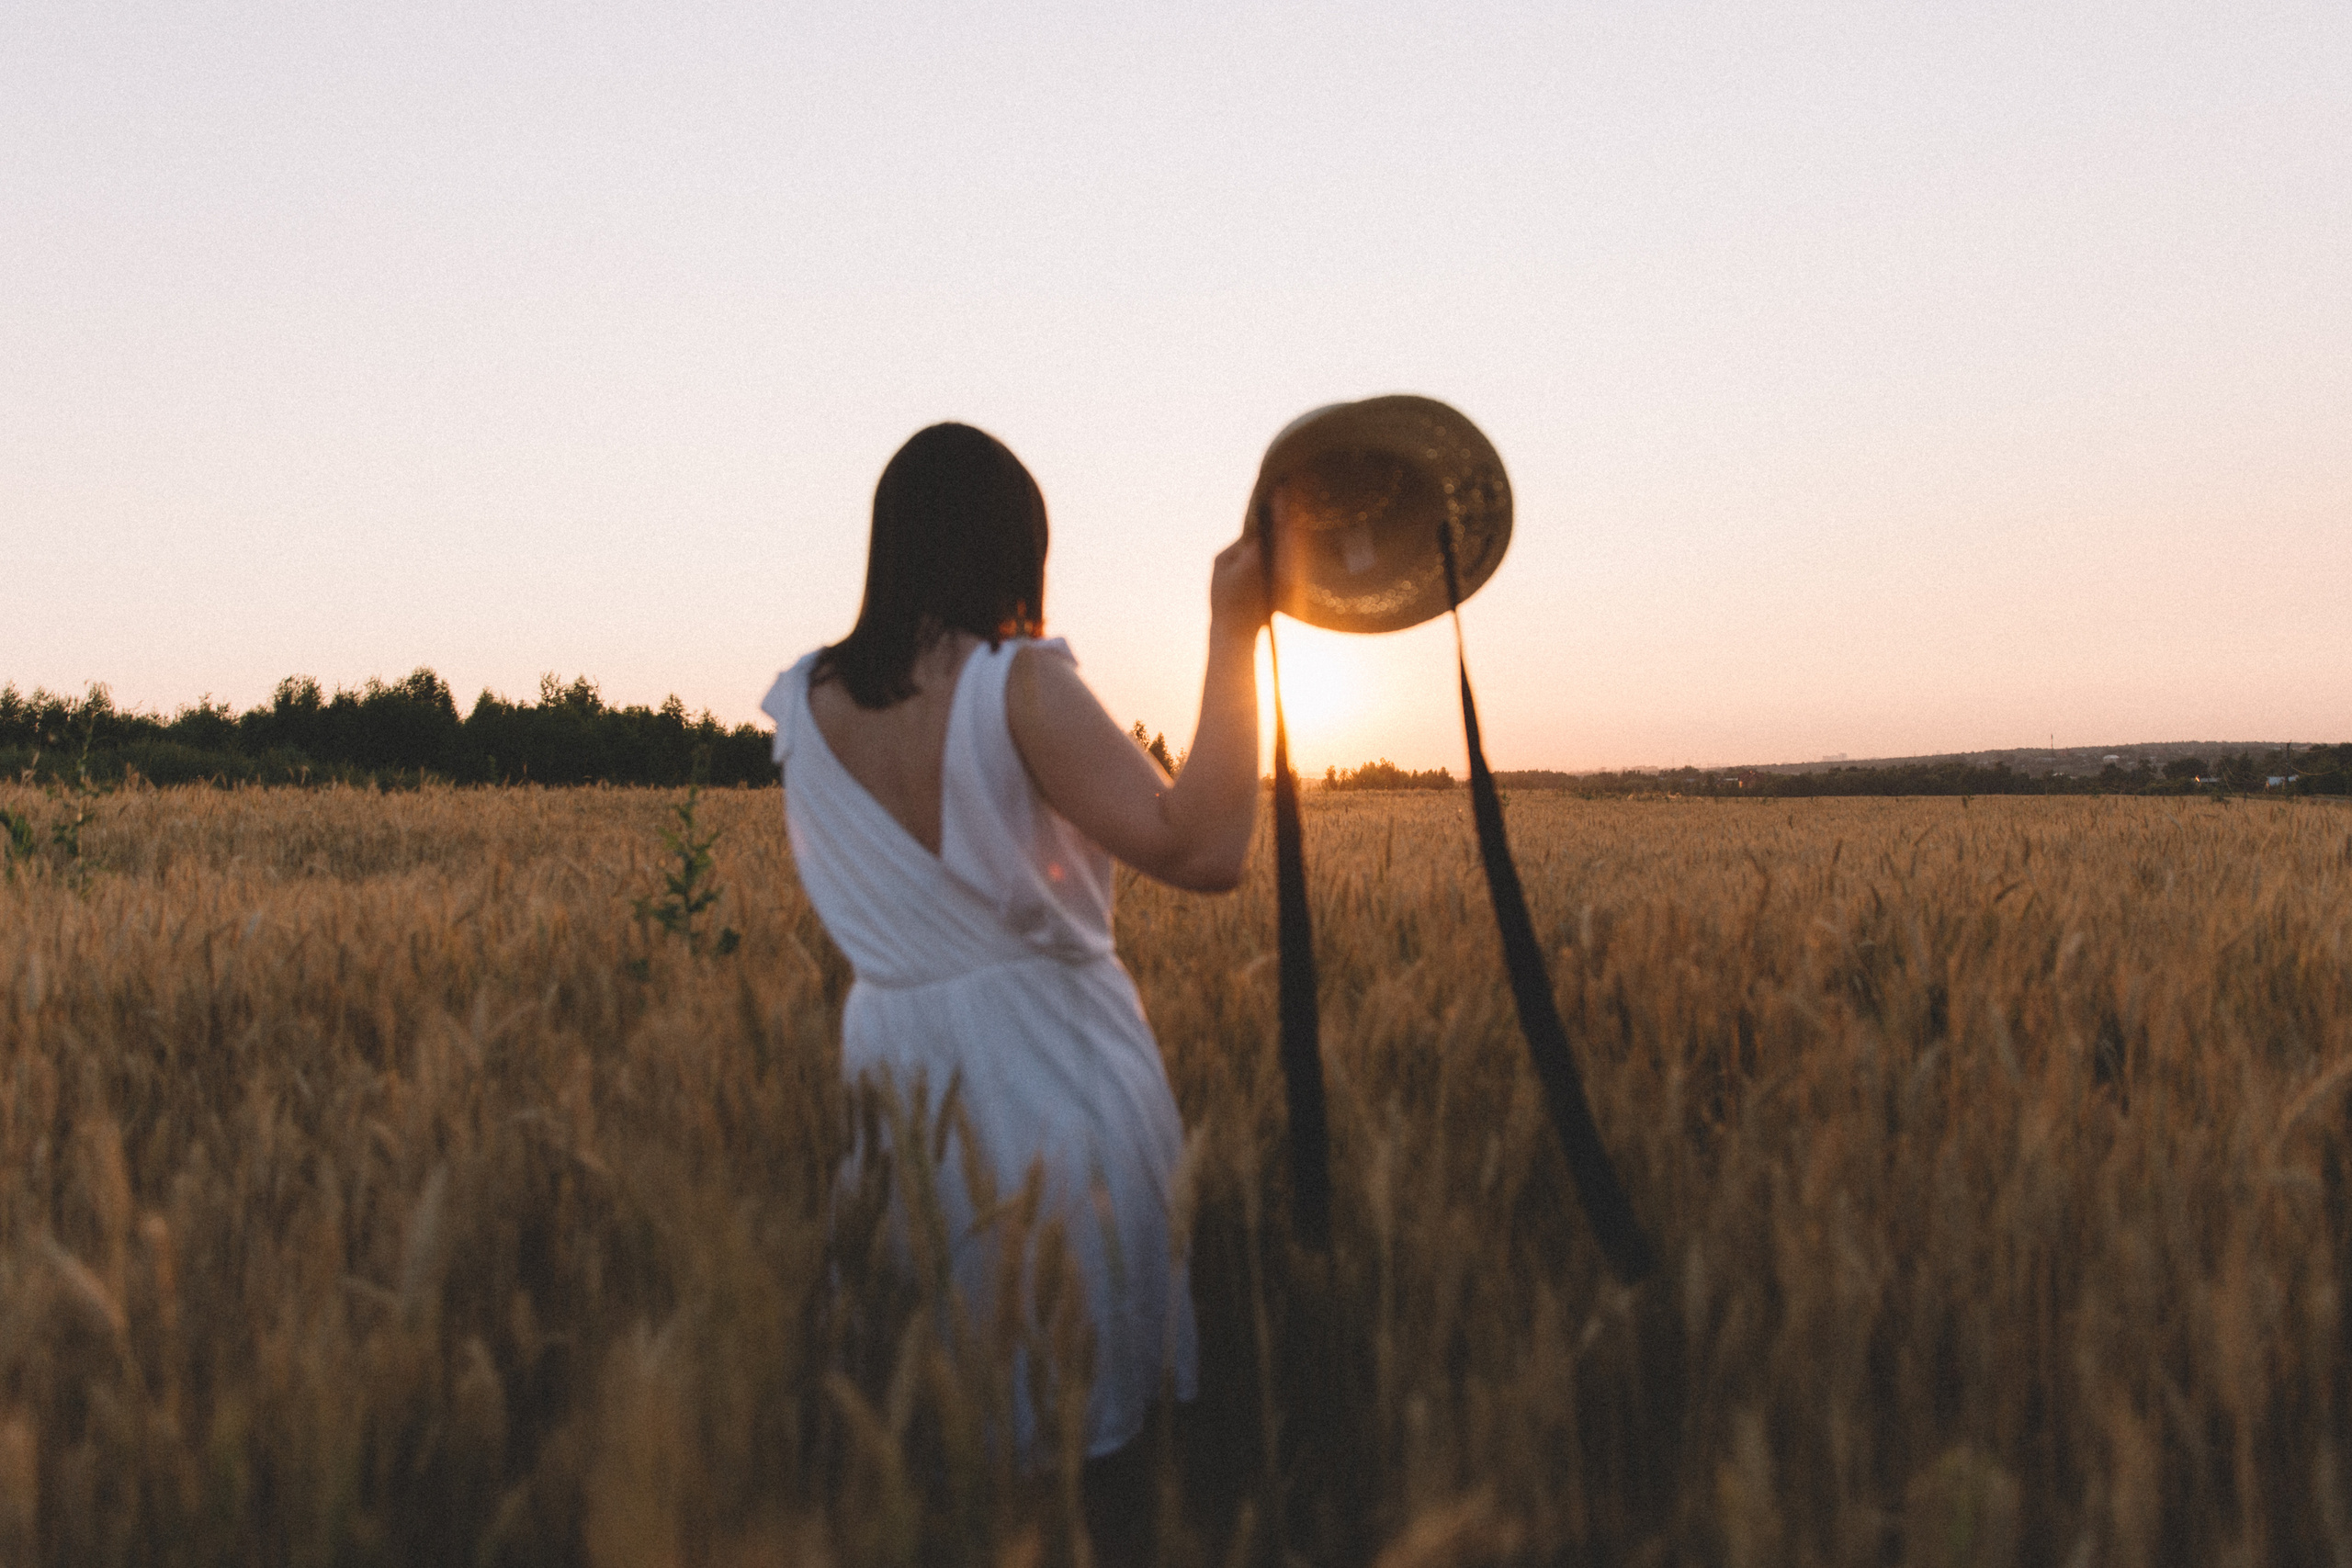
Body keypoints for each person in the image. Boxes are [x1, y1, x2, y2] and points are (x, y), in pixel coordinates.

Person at [759, 422, 1263, 1550]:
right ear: (1013, 548)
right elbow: (1205, 848)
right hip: (1054, 1076)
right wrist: (1236, 633)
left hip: (898, 1093)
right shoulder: (1018, 683)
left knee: (938, 1431)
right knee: (1094, 1451)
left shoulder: (805, 704)